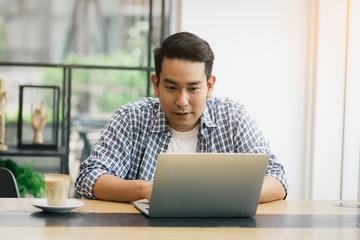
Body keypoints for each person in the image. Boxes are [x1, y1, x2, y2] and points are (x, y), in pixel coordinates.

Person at [75, 32, 288, 203]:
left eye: (193, 88)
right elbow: (89, 177)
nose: (182, 101)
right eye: (171, 87)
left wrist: (222, 196)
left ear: (210, 86)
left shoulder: (233, 118)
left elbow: (277, 179)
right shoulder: (131, 118)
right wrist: (149, 190)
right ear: (156, 84)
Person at [0, 78, 8, 151]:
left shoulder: (4, 92)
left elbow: (6, 102)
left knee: (2, 125)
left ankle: (1, 141)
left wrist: (2, 108)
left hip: (1, 110)